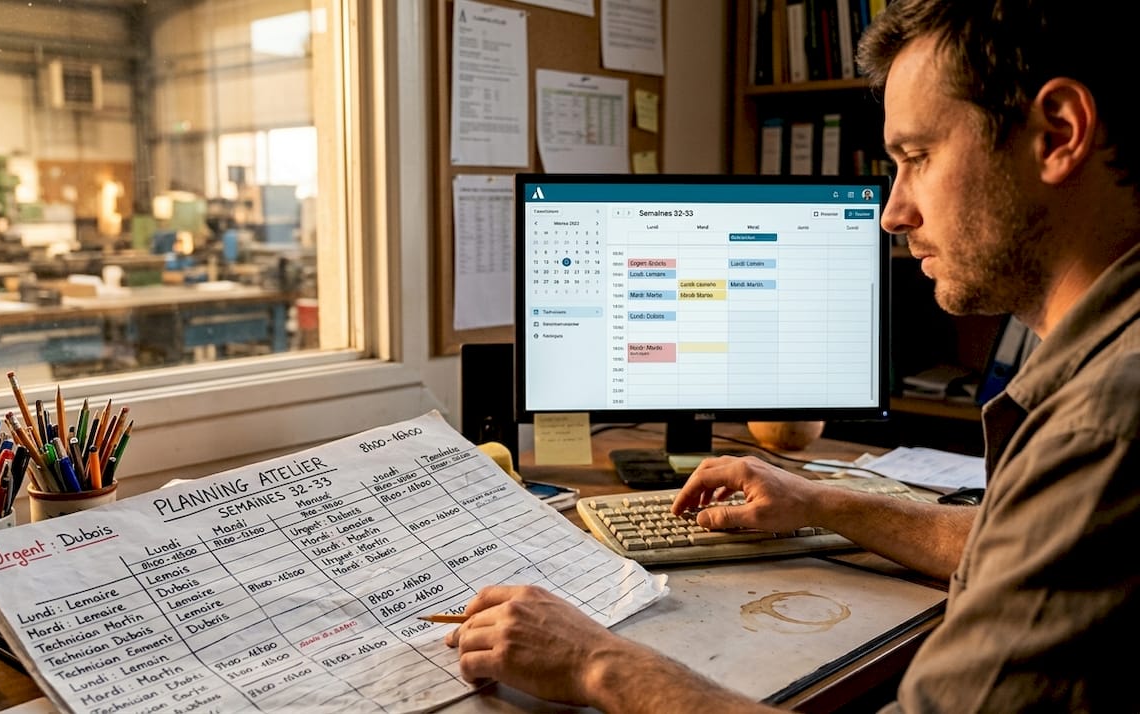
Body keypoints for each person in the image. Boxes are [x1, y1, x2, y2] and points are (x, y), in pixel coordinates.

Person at [445, 1, 1140, 711]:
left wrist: (598, 665)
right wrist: (819, 502)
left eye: (916, 158)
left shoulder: (1105, 422)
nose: (892, 213)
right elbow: (1013, 546)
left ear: (1057, 134)